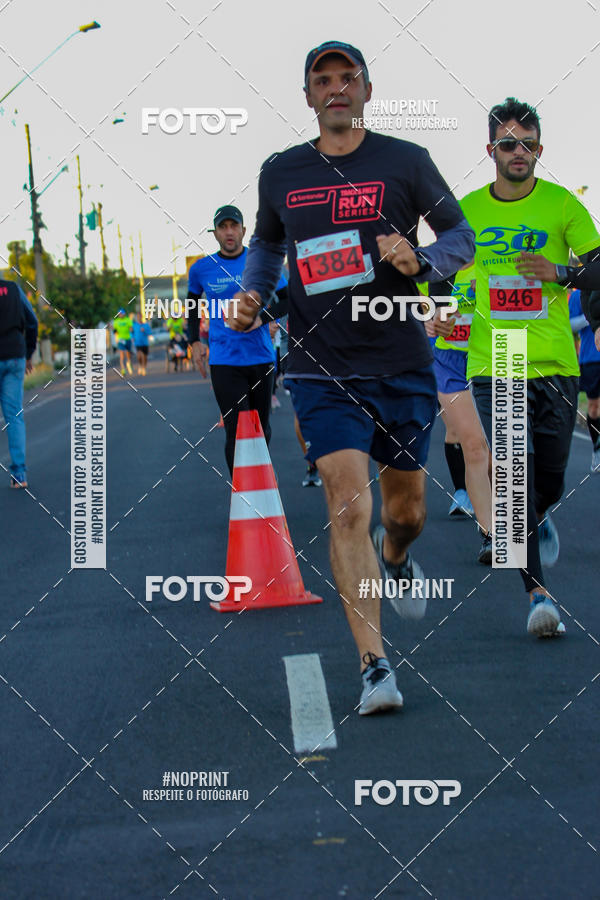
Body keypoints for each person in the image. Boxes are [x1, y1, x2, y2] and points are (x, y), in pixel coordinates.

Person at [227, 41, 474, 714]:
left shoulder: (406, 161)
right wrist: (254, 294)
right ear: (308, 97)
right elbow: (268, 244)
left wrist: (421, 259)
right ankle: (374, 666)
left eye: (348, 79)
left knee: (406, 512)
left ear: (367, 90)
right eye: (322, 81)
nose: (336, 89)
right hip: (320, 367)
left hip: (401, 365)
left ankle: (395, 558)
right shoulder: (282, 171)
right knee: (347, 505)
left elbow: (462, 235)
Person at [463, 97, 600, 636]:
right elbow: (449, 275)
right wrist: (441, 316)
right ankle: (538, 596)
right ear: (491, 150)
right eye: (507, 143)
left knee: (550, 479)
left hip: (555, 361)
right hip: (496, 360)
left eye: (527, 144)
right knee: (515, 479)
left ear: (539, 150)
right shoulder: (468, 209)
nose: (517, 152)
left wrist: (560, 271)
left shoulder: (563, 205)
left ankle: (535, 519)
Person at [187, 205, 288, 474]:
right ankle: (242, 496)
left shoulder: (262, 263)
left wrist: (261, 319)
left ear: (244, 231)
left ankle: (262, 491)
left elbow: (289, 299)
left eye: (234, 226)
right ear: (215, 233)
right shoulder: (201, 269)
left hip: (261, 356)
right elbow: (192, 307)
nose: (229, 232)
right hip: (224, 360)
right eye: (223, 227)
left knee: (261, 429)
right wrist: (194, 341)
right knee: (237, 428)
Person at [426, 269, 493, 563]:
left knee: (500, 452)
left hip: (497, 355)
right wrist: (433, 321)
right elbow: (434, 310)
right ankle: (490, 537)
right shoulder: (444, 265)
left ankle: (529, 514)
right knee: (475, 446)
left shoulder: (499, 256)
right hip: (450, 360)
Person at [0, 279, 38, 488]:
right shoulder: (13, 288)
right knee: (14, 416)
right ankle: (19, 475)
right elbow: (32, 320)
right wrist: (29, 353)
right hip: (15, 355)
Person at [569, 288, 600, 472]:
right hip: (591, 357)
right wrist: (591, 316)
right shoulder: (578, 294)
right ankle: (597, 448)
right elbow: (571, 325)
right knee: (594, 407)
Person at [114, 308, 133, 375]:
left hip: (128, 339)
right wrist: (116, 339)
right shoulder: (116, 321)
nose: (120, 315)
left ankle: (129, 363)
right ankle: (123, 369)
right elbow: (115, 331)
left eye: (121, 313)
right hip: (120, 340)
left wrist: (131, 332)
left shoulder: (128, 320)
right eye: (119, 314)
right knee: (121, 354)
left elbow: (131, 328)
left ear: (124, 314)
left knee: (128, 354)